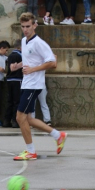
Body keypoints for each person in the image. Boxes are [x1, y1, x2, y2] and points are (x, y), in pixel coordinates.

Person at [13, 12, 67, 160]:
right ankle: (58, 135)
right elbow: (29, 60)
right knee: (28, 119)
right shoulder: (24, 41)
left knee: (19, 117)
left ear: (35, 25)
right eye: (23, 26)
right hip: (26, 83)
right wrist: (21, 66)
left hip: (34, 85)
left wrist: (32, 69)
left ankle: (30, 151)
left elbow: (52, 62)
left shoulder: (39, 43)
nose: (25, 29)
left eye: (28, 26)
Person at [4, 40, 23, 128]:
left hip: (9, 80)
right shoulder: (20, 55)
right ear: (20, 47)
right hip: (17, 79)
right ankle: (15, 120)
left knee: (9, 101)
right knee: (17, 101)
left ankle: (6, 120)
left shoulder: (10, 55)